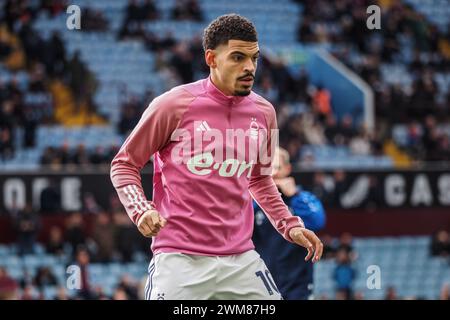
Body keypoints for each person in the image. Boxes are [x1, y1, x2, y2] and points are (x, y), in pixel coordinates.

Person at [110, 14, 323, 300]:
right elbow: (124, 164)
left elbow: (259, 179)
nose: (249, 67)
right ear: (211, 58)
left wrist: (289, 224)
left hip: (241, 260)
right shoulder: (173, 105)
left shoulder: (264, 112)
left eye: (254, 58)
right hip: (180, 260)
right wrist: (141, 210)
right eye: (237, 57)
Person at [253, 147, 326, 300]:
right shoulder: (253, 202)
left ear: (288, 169)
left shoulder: (303, 198)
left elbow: (318, 221)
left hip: (297, 286)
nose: (271, 173)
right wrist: (260, 197)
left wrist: (294, 196)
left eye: (276, 167)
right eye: (266, 168)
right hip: (261, 285)